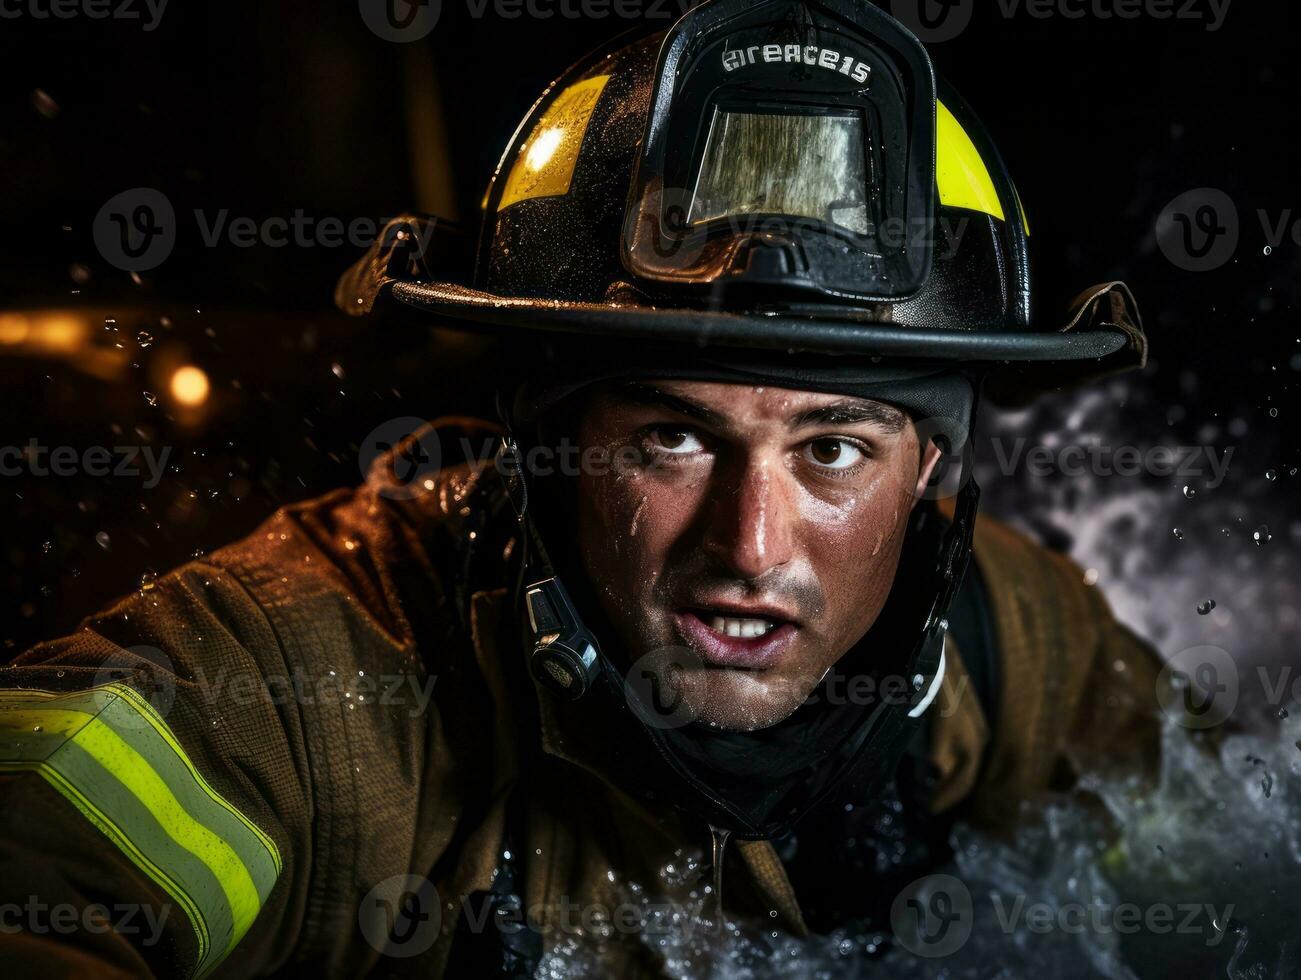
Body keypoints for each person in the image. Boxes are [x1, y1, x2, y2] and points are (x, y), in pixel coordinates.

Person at [0, 1, 1162, 976]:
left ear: (930, 470)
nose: (750, 545)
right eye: (672, 437)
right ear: (545, 437)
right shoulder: (315, 681)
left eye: (832, 449)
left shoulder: (1010, 639)